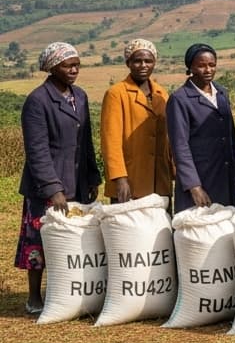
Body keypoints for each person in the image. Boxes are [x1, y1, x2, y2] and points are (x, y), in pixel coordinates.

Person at [18, 42, 100, 315]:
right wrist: (53, 189)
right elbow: (37, 150)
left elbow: (86, 141)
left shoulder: (80, 96)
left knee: (69, 239)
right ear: (52, 68)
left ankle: (66, 290)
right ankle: (34, 296)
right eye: (68, 66)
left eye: (77, 65)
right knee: (38, 240)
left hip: (75, 177)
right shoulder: (38, 101)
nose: (74, 70)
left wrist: (91, 176)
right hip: (47, 184)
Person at [167, 44, 235, 211]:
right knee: (199, 230)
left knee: (226, 226)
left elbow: (231, 136)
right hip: (201, 177)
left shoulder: (221, 94)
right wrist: (194, 186)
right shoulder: (180, 99)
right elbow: (180, 146)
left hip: (225, 175)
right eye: (201, 65)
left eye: (212, 65)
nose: (208, 70)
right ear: (190, 68)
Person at [100, 38, 173, 204]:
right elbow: (110, 141)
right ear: (128, 63)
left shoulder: (161, 94)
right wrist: (120, 178)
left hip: (159, 178)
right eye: (137, 61)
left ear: (154, 63)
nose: (143, 65)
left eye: (148, 61)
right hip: (131, 177)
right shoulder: (116, 93)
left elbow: (169, 137)